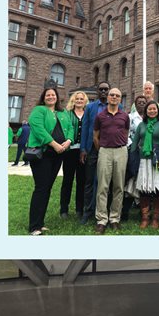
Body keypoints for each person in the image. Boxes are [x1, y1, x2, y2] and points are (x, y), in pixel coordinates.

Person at [27, 86, 74, 234]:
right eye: (48, 95)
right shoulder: (39, 110)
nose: (50, 97)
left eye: (53, 95)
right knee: (41, 188)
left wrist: (68, 141)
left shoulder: (63, 112)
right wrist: (54, 144)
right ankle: (34, 226)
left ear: (57, 97)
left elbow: (71, 128)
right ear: (43, 97)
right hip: (43, 154)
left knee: (47, 188)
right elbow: (38, 128)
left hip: (58, 155)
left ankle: (40, 223)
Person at [93, 87, 130, 232]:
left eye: (117, 95)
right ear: (108, 97)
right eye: (111, 95)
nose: (114, 97)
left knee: (119, 186)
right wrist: (102, 149)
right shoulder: (100, 116)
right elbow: (95, 136)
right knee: (103, 186)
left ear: (120, 99)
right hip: (105, 151)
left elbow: (125, 132)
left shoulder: (124, 116)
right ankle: (101, 219)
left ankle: (115, 218)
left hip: (121, 151)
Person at [132, 100, 159, 228]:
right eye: (149, 109)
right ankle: (145, 217)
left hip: (158, 160)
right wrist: (132, 159)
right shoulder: (141, 126)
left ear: (157, 111)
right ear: (146, 111)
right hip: (143, 160)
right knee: (144, 189)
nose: (152, 111)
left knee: (158, 189)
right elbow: (135, 143)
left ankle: (155, 218)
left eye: (154, 109)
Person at [80, 82, 113, 222]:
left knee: (107, 182)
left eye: (106, 89)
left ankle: (105, 211)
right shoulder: (90, 107)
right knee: (89, 181)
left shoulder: (117, 105)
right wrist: (83, 149)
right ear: (97, 92)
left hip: (109, 148)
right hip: (92, 148)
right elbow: (86, 128)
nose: (104, 92)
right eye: (101, 89)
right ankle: (87, 212)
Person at [60, 91, 88, 220]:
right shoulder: (67, 114)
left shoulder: (87, 113)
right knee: (68, 180)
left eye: (82, 99)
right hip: (70, 151)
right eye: (77, 98)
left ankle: (79, 209)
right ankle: (64, 209)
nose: (79, 100)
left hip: (82, 151)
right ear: (73, 100)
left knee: (81, 181)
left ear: (85, 101)